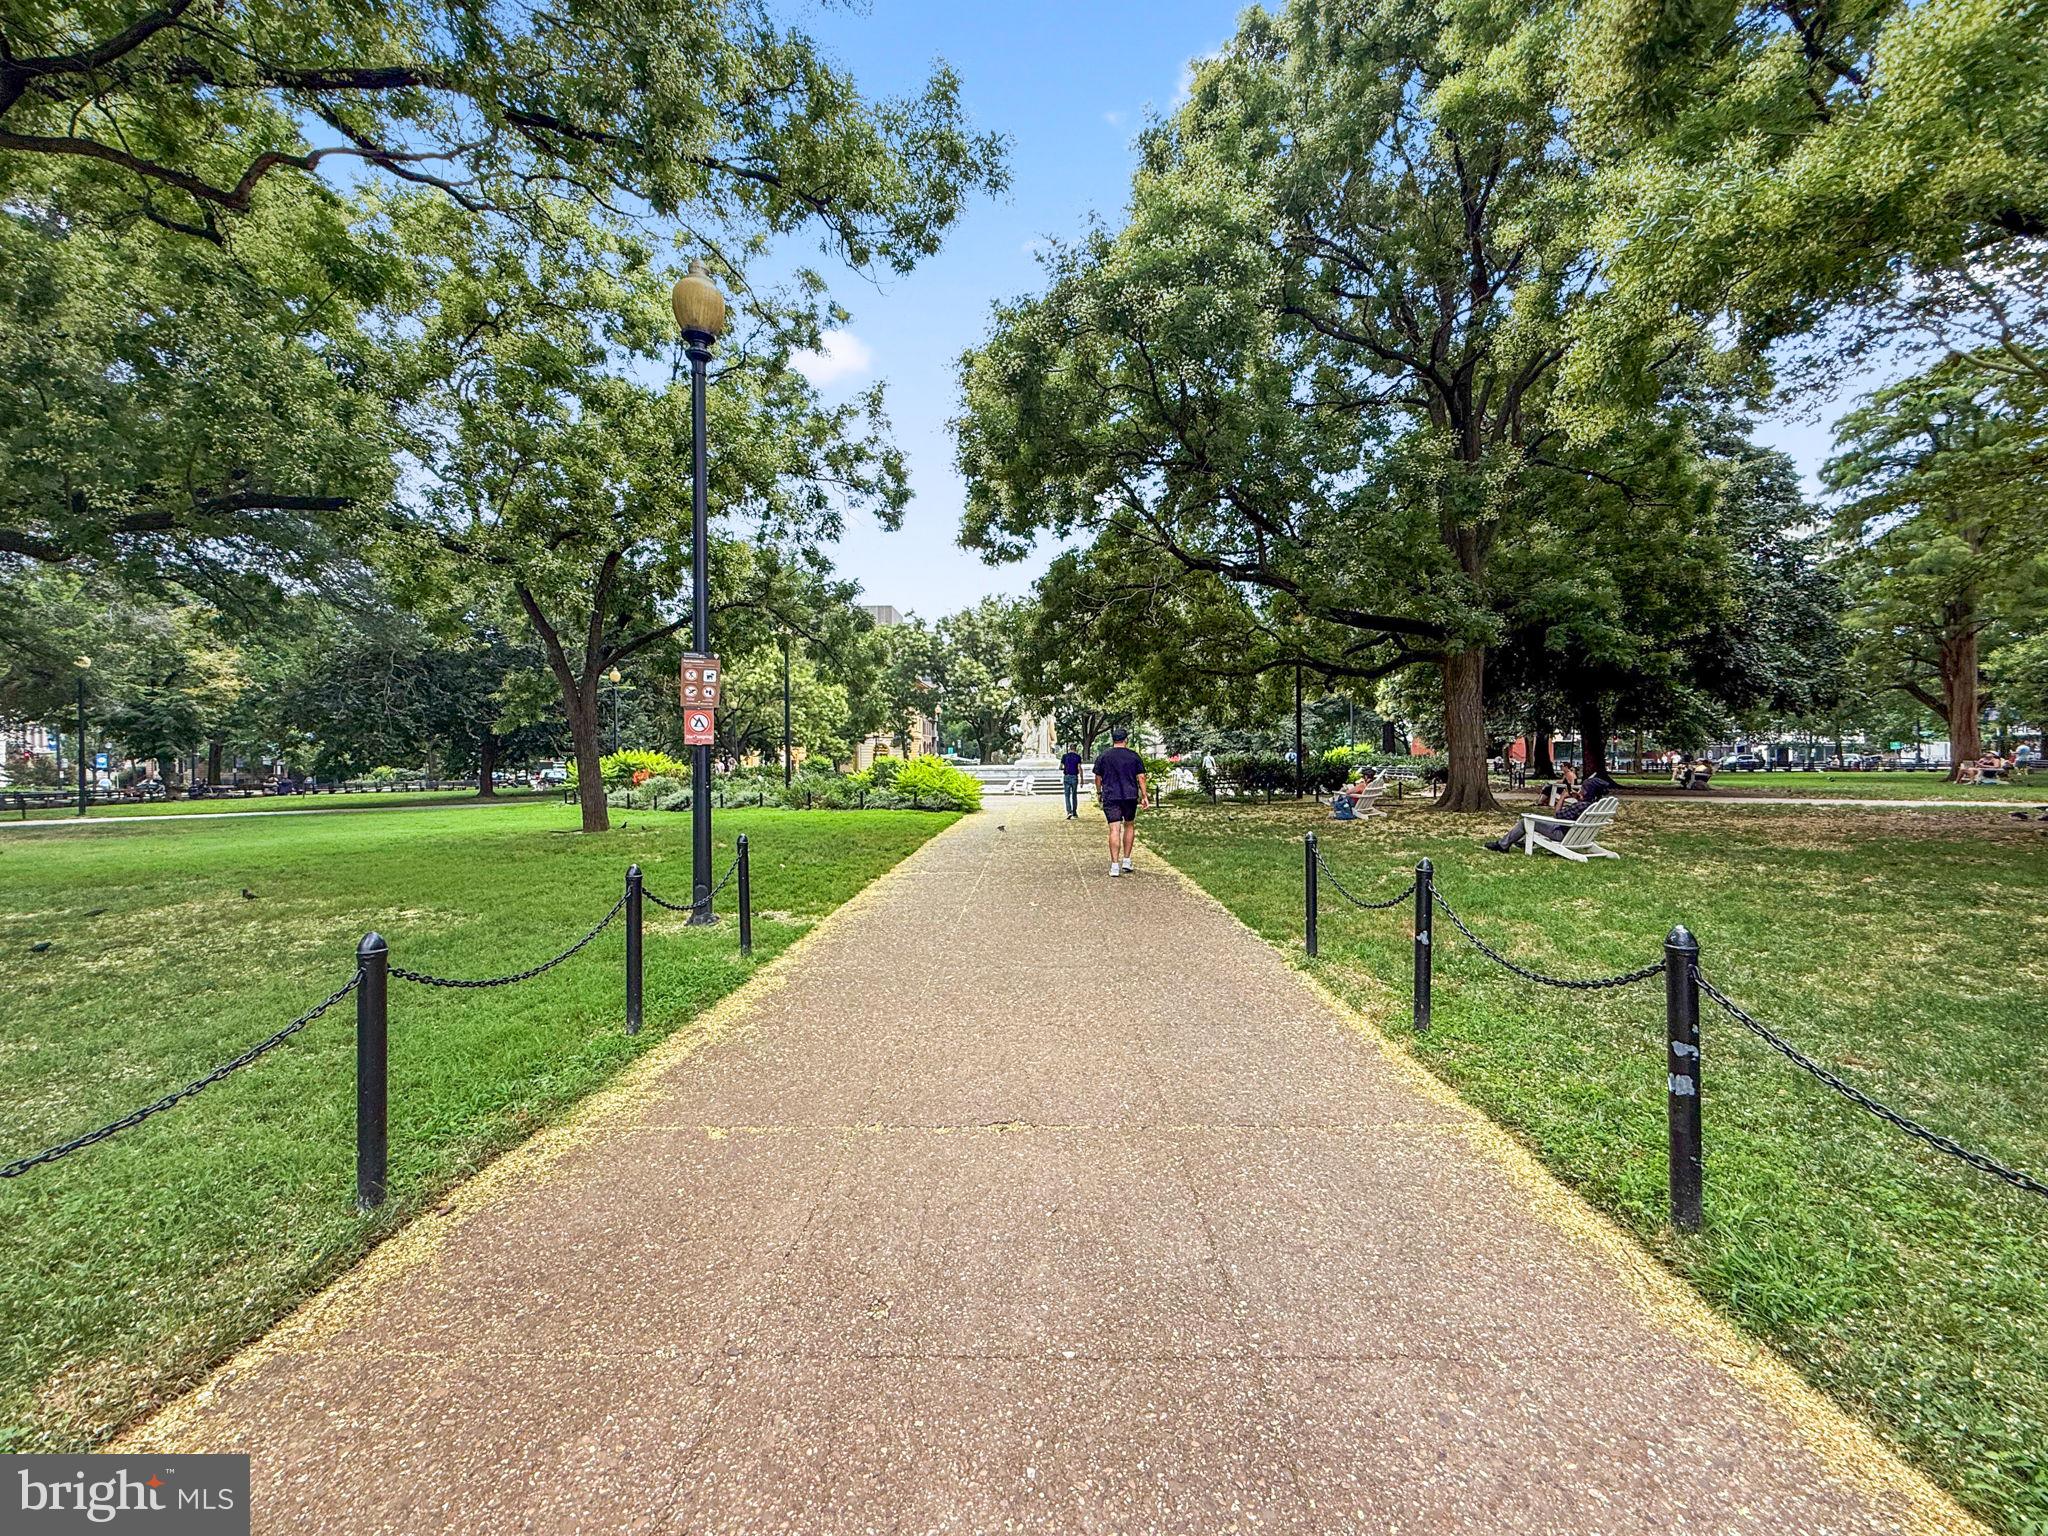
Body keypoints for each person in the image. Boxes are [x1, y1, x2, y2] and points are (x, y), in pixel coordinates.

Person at [1484, 765, 1618, 853]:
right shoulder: (1593, 805)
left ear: (1587, 791)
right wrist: (1578, 798)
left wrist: (1563, 797)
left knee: (1525, 821)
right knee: (1534, 823)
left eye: (1583, 789)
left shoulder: (1581, 805)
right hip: (1578, 835)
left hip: (1561, 833)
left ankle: (1503, 845)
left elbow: (1557, 815)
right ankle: (1522, 842)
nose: (1580, 790)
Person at [1093, 727, 1148, 877]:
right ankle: (1127, 860)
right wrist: (1144, 795)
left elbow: (1098, 778)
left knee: (1114, 829)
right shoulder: (1133, 756)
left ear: (1113, 739)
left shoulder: (1104, 756)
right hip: (1129, 795)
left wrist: (1099, 792)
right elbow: (1141, 777)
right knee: (1129, 825)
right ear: (1126, 740)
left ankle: (1114, 865)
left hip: (1111, 795)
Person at [1060, 743, 1083, 818]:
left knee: (1067, 795)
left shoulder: (1064, 756)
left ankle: (1069, 812)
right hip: (1074, 777)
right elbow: (1079, 768)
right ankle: (1074, 812)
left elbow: (1060, 767)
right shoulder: (1078, 757)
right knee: (1074, 795)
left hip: (1066, 776)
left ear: (1069, 748)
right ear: (1076, 749)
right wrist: (1082, 779)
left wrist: (1065, 768)